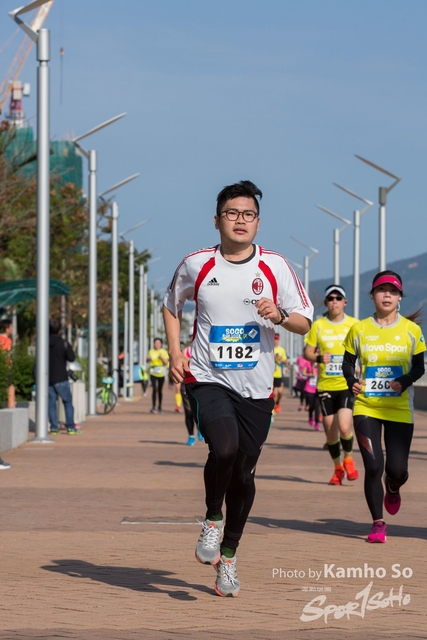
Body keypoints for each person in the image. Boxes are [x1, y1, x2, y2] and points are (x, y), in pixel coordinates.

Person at [163, 179, 313, 597]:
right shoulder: (196, 264)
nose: (240, 220)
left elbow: (304, 321)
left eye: (248, 214)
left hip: (257, 388)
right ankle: (213, 517)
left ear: (258, 223)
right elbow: (171, 305)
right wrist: (175, 352)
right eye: (232, 213)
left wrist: (279, 315)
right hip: (208, 376)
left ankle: (228, 556)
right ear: (217, 220)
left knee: (244, 474)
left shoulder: (275, 267)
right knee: (224, 448)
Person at [342, 270, 425, 543]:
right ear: (372, 296)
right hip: (367, 408)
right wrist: (352, 381)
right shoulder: (359, 329)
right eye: (381, 290)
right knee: (373, 466)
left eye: (393, 291)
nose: (387, 295)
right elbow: (347, 363)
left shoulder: (412, 330)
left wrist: (404, 380)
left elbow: (419, 367)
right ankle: (378, 523)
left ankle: (393, 487)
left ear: (400, 297)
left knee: (397, 471)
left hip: (400, 409)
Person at [304, 285, 359, 485]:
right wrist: (319, 358)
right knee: (331, 431)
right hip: (325, 385)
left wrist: (360, 367)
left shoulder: (354, 324)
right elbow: (307, 352)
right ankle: (338, 468)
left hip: (346, 383)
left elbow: (364, 349)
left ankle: (349, 460)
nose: (334, 302)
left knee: (344, 426)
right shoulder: (318, 325)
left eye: (338, 298)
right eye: (330, 298)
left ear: (345, 302)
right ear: (326, 302)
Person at [48, 318, 80, 435]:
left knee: (51, 403)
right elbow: (71, 358)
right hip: (61, 376)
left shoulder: (43, 342)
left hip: (47, 377)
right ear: (60, 330)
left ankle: (54, 428)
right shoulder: (63, 343)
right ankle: (71, 427)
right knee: (67, 402)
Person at [146, 338, 169, 414]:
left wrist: (161, 357)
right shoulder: (151, 351)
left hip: (161, 373)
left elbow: (166, 362)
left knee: (159, 390)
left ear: (161, 344)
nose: (157, 344)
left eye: (158, 343)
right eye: (155, 343)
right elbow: (147, 360)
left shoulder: (164, 351)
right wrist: (148, 358)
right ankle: (153, 407)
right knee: (154, 389)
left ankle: (160, 406)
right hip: (153, 372)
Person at [0, 318, 16, 409]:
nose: (12, 329)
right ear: (7, 328)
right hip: (6, 368)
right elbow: (6, 355)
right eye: (11, 327)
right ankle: (11, 407)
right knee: (10, 388)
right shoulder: (7, 340)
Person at [302, 360, 320, 430]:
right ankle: (310, 417)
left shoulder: (320, 363)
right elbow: (303, 373)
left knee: (317, 407)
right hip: (309, 388)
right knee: (311, 406)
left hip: (318, 389)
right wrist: (310, 374)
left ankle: (317, 423)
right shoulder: (307, 363)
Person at [273, 333, 288, 413]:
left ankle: (277, 402)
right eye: (274, 339)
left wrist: (280, 359)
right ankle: (273, 407)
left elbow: (286, 362)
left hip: (278, 373)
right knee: (274, 393)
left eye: (277, 339)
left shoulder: (281, 350)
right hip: (271, 374)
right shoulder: (269, 348)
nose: (275, 341)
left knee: (279, 392)